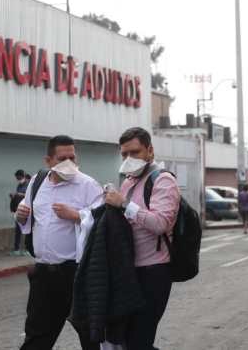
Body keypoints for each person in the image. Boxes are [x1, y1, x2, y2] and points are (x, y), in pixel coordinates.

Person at [15, 135, 102, 350]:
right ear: (49, 161)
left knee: (90, 334)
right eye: (62, 159)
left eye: (72, 157)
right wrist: (20, 216)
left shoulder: (88, 185)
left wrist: (76, 215)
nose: (69, 163)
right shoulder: (36, 182)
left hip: (76, 273)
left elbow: (103, 222)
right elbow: (27, 218)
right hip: (44, 273)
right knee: (37, 334)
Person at [104, 127, 180, 350]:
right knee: (126, 339)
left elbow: (160, 224)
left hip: (153, 272)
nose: (129, 159)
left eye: (135, 153)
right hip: (128, 271)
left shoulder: (163, 181)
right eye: (124, 154)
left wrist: (124, 204)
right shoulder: (128, 182)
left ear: (150, 151)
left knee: (140, 339)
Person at [9, 169, 29, 256]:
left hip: (26, 210)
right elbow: (18, 195)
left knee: (27, 230)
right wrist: (14, 196)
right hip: (19, 209)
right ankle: (16, 249)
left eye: (19, 177)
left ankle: (27, 249)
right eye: (17, 178)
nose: (18, 179)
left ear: (23, 176)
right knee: (18, 230)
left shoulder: (28, 185)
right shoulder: (19, 185)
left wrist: (18, 194)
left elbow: (29, 195)